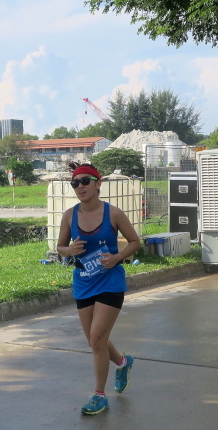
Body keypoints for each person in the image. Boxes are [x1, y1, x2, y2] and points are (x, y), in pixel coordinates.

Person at [56, 162, 142, 415]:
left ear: (98, 183)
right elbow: (60, 248)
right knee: (96, 341)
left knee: (96, 339)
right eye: (75, 183)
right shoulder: (69, 215)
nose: (80, 187)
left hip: (110, 282)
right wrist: (69, 250)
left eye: (85, 181)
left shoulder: (113, 213)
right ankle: (123, 362)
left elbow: (134, 241)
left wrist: (117, 257)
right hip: (84, 282)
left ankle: (99, 396)